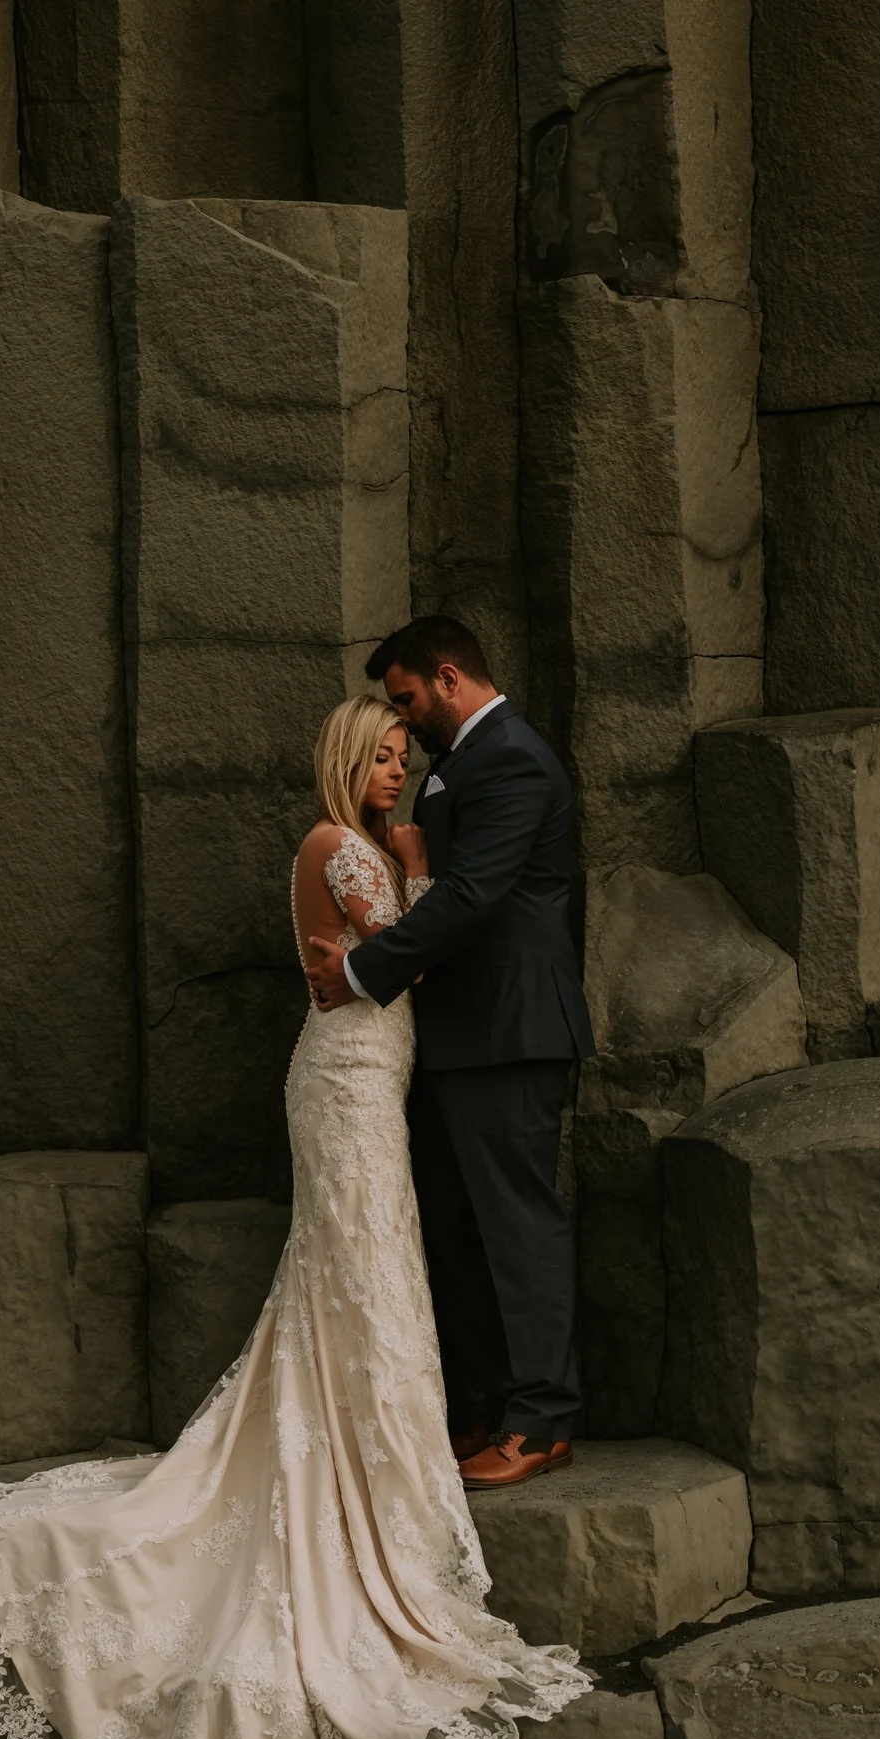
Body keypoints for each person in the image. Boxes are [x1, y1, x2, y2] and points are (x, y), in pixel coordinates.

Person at [0, 692, 589, 1739]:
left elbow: (398, 959)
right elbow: (386, 967)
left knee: (367, 1275)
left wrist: (415, 870)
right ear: (343, 762)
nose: (395, 772)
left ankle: (362, 1441)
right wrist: (418, 869)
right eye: (378, 758)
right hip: (340, 1082)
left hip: (375, 1081)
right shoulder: (333, 848)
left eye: (402, 757)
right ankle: (343, 1458)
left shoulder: (374, 849)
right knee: (357, 1270)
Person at [302, 616, 595, 1489]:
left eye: (407, 700)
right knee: (463, 1229)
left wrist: (359, 969)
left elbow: (473, 895)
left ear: (448, 675)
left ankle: (542, 1420)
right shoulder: (465, 761)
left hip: (510, 1031)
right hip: (459, 1035)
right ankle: (493, 1404)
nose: (406, 720)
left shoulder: (510, 756)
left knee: (517, 1223)